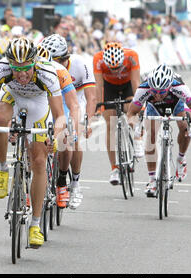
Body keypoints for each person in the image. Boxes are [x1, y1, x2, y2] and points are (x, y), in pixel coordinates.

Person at [0, 37, 65, 248]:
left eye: (26, 68)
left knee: (38, 161)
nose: (22, 74)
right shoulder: (2, 68)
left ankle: (35, 225)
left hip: (38, 104)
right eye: (16, 69)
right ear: (10, 65)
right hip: (13, 98)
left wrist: (55, 135)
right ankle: (2, 169)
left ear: (34, 62)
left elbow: (59, 115)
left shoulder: (48, 74)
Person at [127, 64, 191, 196]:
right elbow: (131, 113)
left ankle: (181, 158)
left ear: (169, 86)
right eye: (154, 92)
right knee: (150, 136)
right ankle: (152, 180)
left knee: (184, 126)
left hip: (177, 104)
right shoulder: (144, 88)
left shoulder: (179, 86)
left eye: (161, 92)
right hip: (153, 107)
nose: (157, 95)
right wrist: (136, 127)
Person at [38, 33, 97, 209]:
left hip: (74, 101)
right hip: (51, 99)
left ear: (65, 59)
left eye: (55, 61)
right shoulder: (43, 66)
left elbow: (91, 97)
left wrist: (87, 121)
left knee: (72, 138)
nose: (50, 64)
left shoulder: (80, 64)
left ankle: (73, 183)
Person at [36, 38, 81, 209]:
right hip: (40, 109)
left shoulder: (61, 71)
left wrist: (74, 128)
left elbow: (74, 105)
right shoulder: (30, 72)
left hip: (59, 107)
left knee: (66, 138)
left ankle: (62, 180)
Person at [93, 42, 141, 185]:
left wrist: (139, 105)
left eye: (118, 67)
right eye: (111, 68)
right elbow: (99, 85)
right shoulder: (98, 59)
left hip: (127, 86)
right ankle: (114, 168)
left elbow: (136, 82)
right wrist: (99, 106)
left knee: (131, 111)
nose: (115, 71)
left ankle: (138, 137)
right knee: (110, 124)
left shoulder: (132, 56)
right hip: (109, 87)